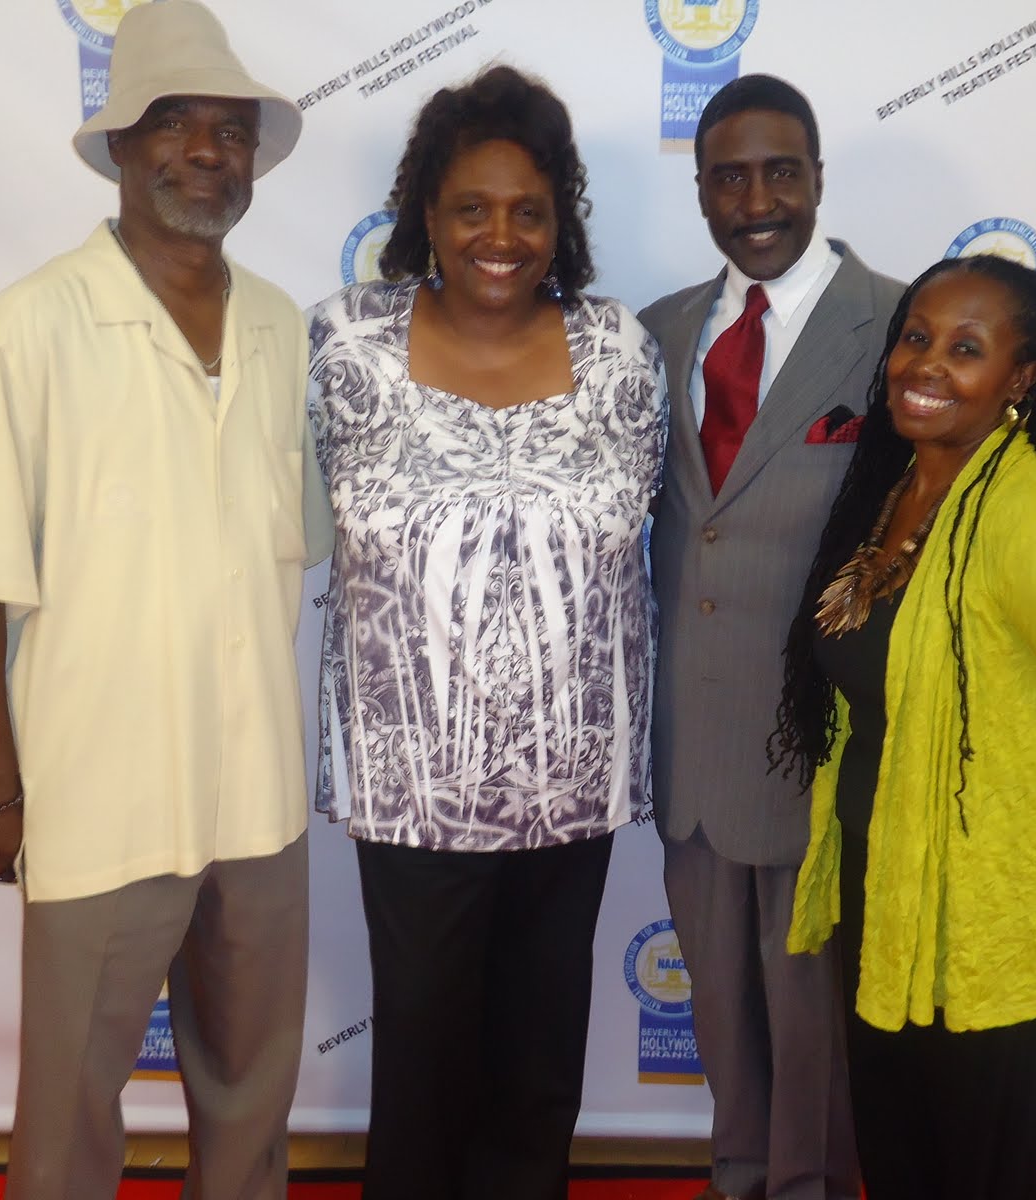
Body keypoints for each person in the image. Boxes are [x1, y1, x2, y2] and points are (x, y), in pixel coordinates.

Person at [0, 4, 331, 1196]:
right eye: (173, 124)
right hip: (98, 801)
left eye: (232, 130)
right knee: (67, 1120)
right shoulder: (22, 334)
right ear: (117, 148)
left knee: (253, 1102)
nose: (207, 150)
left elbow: (285, 548)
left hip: (256, 801)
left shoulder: (280, 328)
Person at [305, 66, 666, 1200]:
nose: (499, 235)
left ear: (562, 220)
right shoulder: (344, 346)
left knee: (537, 1067)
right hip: (410, 788)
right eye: (472, 208)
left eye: (528, 209)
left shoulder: (619, 354)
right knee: (420, 1060)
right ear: (426, 214)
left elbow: (644, 537)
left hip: (574, 783)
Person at [772, 253, 1036, 1200]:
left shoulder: (1027, 514)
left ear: (1021, 379)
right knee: (904, 1169)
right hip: (892, 907)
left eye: (967, 349)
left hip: (1005, 925)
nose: (927, 366)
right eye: (917, 338)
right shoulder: (903, 490)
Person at [639, 75, 903, 1200]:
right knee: (718, 1011)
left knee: (813, 1029)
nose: (758, 200)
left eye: (780, 171)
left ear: (817, 178)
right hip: (691, 746)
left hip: (822, 743)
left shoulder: (900, 326)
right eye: (730, 176)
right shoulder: (653, 333)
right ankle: (738, 1177)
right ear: (700, 189)